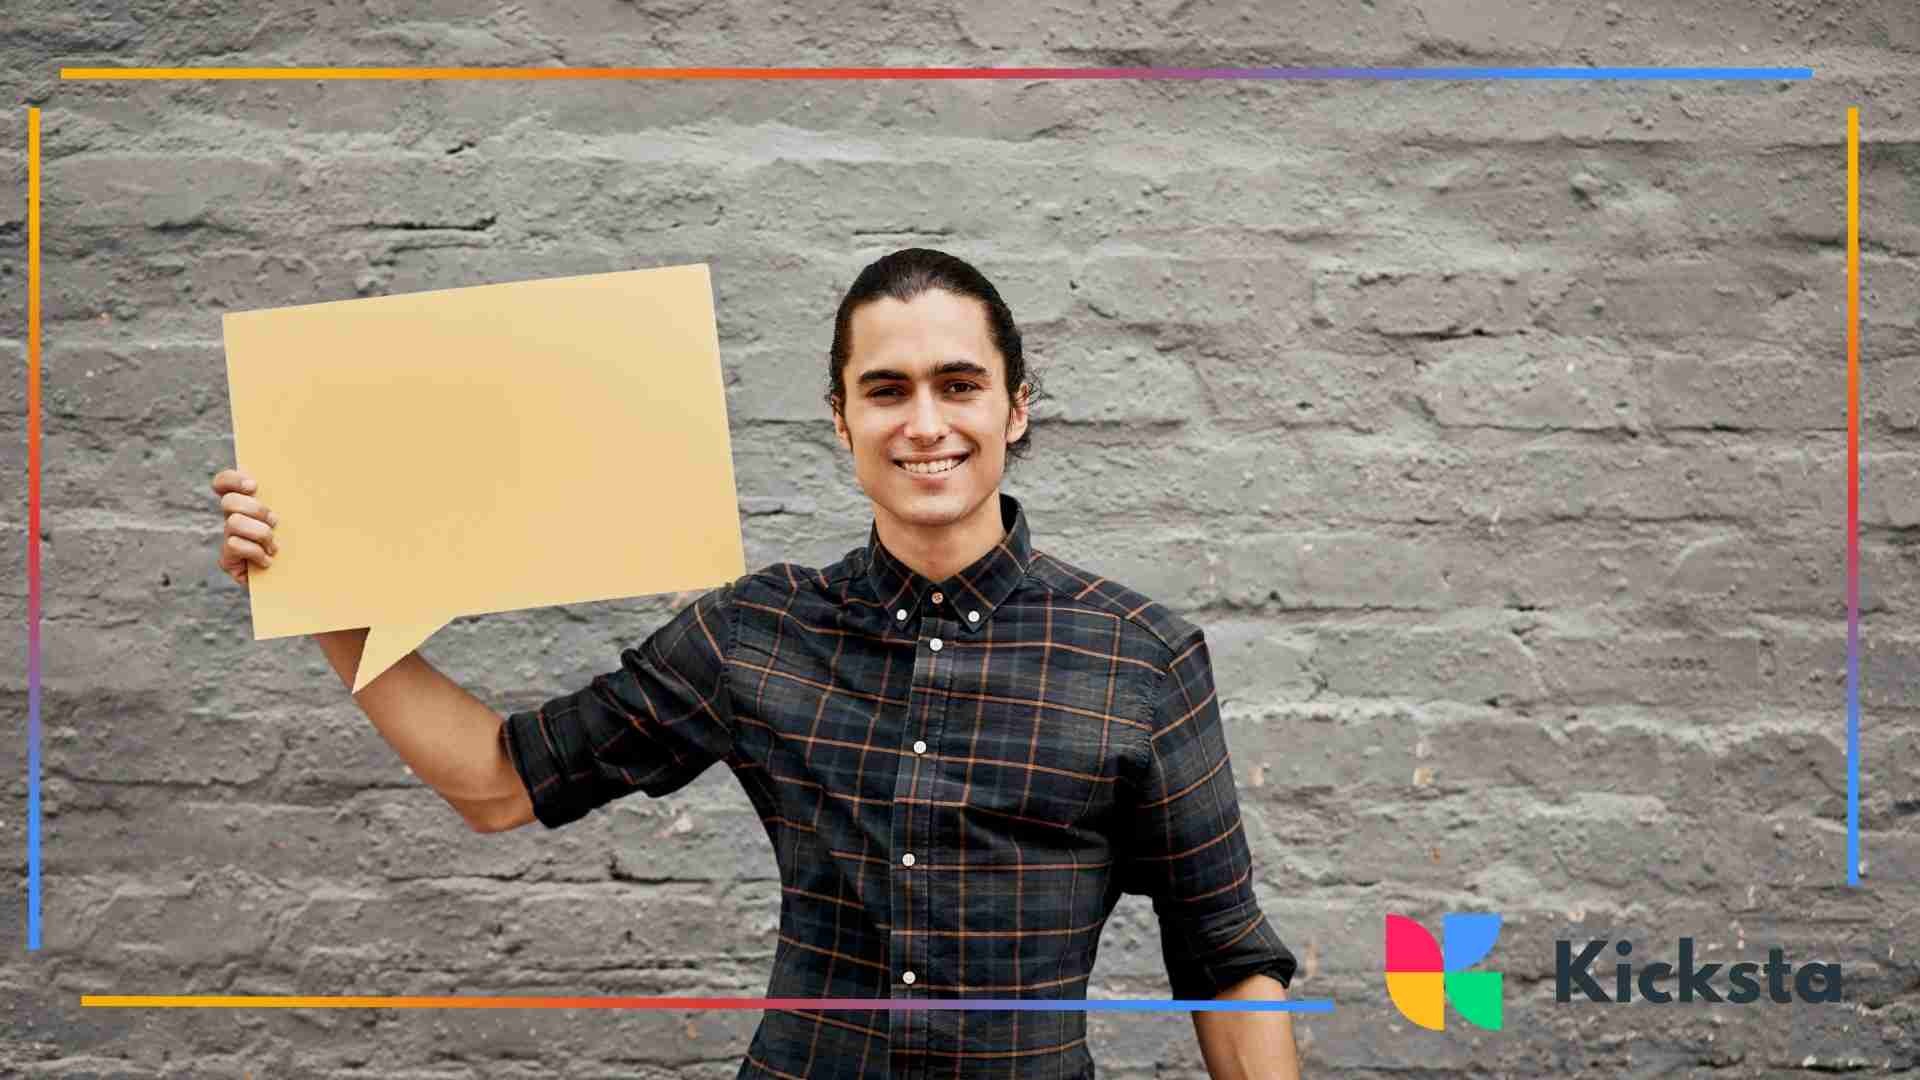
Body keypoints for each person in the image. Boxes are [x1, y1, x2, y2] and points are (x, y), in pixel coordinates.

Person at [211, 248, 1301, 1079]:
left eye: (960, 385)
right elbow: (499, 782)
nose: (926, 423)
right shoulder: (755, 632)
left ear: (1015, 408)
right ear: (840, 419)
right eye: (886, 390)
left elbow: (1223, 955)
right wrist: (319, 599)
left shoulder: (1139, 655)